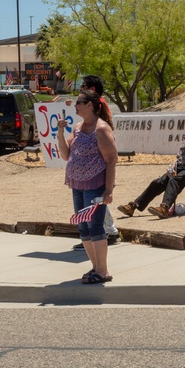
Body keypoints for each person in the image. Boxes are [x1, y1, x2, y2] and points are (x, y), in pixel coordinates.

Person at [57, 89, 118, 283]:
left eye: (79, 103)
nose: (75, 106)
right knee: (83, 226)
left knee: (95, 226)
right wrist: (60, 133)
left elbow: (111, 160)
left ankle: (103, 271)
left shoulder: (101, 129)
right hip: (77, 184)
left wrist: (108, 190)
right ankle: (95, 267)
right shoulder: (77, 127)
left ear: (89, 105)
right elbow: (66, 155)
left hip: (95, 184)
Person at [118, 116, 185, 219]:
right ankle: (134, 206)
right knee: (158, 182)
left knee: (175, 180)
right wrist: (172, 168)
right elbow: (178, 158)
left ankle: (164, 207)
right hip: (181, 168)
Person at [76, 75, 119, 246]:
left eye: (84, 86)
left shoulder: (98, 105)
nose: (80, 88)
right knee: (95, 198)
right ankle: (108, 230)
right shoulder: (94, 104)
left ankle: (106, 231)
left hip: (97, 156)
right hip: (91, 157)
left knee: (96, 196)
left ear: (92, 89)